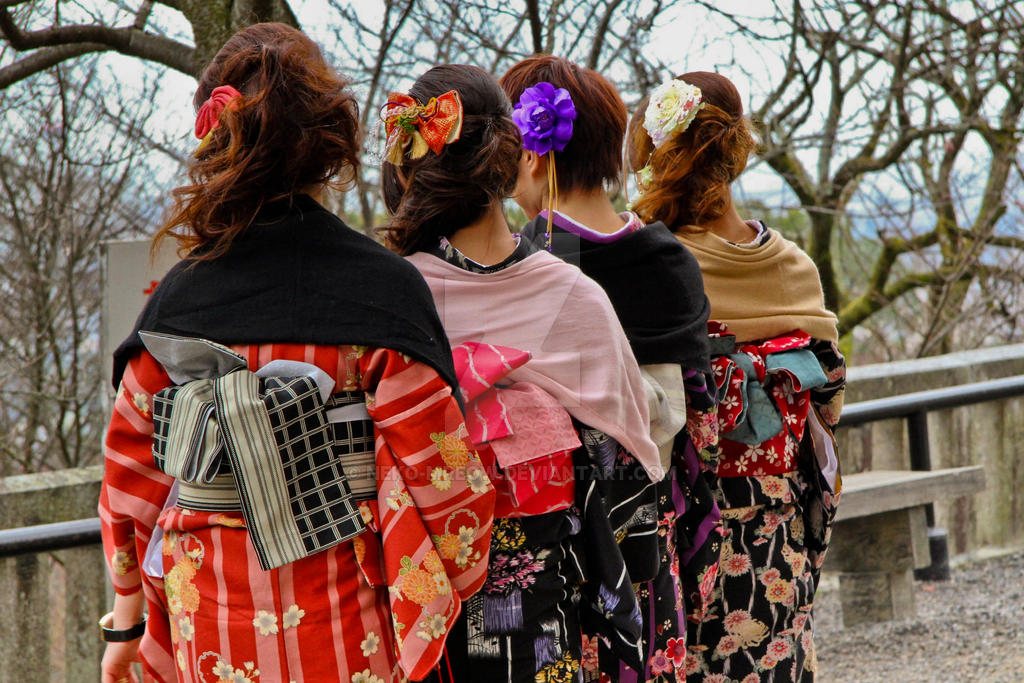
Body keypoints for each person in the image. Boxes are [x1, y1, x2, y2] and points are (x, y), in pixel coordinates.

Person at [98, 24, 494, 683]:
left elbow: (127, 487)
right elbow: (447, 484)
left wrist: (129, 616)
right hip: (349, 623)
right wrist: (448, 577)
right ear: (326, 140)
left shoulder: (177, 303)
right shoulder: (385, 292)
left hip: (214, 626)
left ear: (216, 137)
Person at [379, 63, 662, 682]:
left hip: (411, 609)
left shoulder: (386, 301)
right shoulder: (574, 297)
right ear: (506, 160)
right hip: (545, 611)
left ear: (406, 172)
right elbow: (631, 468)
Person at [503, 55, 722, 683]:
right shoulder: (669, 256)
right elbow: (699, 423)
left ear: (533, 150)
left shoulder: (536, 263)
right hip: (651, 536)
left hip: (560, 554)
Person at [627, 71, 846, 682]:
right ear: (735, 149)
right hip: (779, 524)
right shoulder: (793, 265)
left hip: (683, 523)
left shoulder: (653, 263)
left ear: (660, 157)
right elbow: (828, 406)